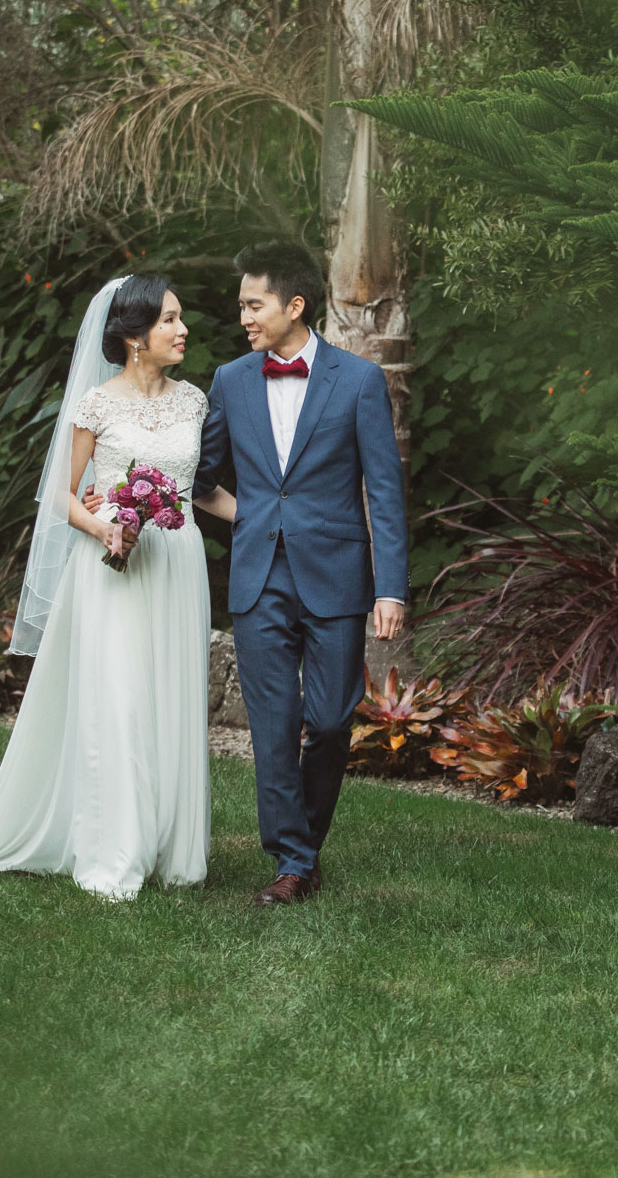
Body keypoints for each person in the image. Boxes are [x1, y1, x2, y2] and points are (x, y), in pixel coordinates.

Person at [0, 275, 236, 901]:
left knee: (171, 698)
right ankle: (114, 853)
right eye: (169, 320)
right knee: (122, 703)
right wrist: (106, 525)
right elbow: (61, 497)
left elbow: (201, 489)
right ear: (134, 336)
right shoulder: (98, 404)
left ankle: (175, 853)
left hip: (178, 563)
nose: (183, 330)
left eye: (181, 319)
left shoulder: (193, 402)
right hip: (112, 569)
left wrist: (271, 522)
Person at [194, 241, 409, 905]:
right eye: (240, 306)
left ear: (295, 305)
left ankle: (303, 845)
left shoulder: (360, 381)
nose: (243, 318)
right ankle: (292, 861)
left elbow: (384, 489)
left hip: (338, 576)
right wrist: (253, 516)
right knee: (273, 723)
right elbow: (200, 481)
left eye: (253, 305)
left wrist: (390, 585)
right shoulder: (230, 380)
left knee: (333, 718)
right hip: (258, 577)